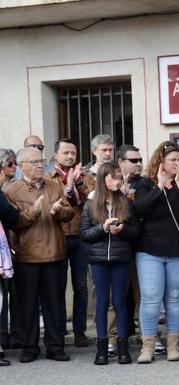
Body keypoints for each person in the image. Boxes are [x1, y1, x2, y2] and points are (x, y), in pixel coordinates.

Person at [3, 147, 75, 363]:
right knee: (27, 305)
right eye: (34, 162)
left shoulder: (54, 186)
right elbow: (14, 223)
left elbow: (70, 212)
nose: (39, 165)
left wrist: (59, 211)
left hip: (55, 253)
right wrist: (33, 211)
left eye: (41, 161)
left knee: (54, 303)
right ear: (22, 165)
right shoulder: (12, 190)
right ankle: (29, 347)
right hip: (27, 255)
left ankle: (55, 347)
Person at [133, 141, 179, 363]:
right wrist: (161, 186)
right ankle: (148, 346)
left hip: (177, 251)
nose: (177, 163)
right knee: (151, 299)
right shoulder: (146, 184)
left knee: (174, 300)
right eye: (172, 160)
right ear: (160, 162)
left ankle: (173, 345)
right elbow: (140, 209)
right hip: (150, 251)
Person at [80, 162, 140, 365]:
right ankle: (102, 348)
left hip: (121, 258)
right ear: (103, 179)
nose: (118, 181)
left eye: (119, 177)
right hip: (98, 260)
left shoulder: (125, 202)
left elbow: (136, 233)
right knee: (102, 302)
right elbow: (85, 234)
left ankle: (123, 348)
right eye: (113, 177)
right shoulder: (91, 204)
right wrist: (103, 228)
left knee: (120, 302)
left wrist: (122, 229)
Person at [48, 138, 95, 348]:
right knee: (57, 285)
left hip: (80, 235)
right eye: (65, 152)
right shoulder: (48, 178)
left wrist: (76, 183)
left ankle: (79, 331)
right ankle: (58, 331)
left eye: (73, 153)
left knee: (80, 285)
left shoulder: (86, 177)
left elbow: (91, 201)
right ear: (55, 155)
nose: (70, 156)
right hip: (55, 236)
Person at [0, 149, 19, 350]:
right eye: (10, 164)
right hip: (3, 248)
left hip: (12, 247)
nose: (14, 167)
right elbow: (12, 216)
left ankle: (14, 335)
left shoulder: (14, 187)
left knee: (13, 292)